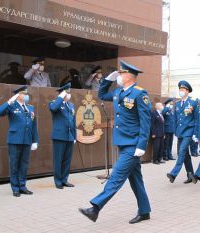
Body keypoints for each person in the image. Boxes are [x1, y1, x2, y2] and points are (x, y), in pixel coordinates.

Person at [79, 60, 152, 224]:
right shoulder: (119, 92)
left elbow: (146, 123)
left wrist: (141, 145)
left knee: (116, 177)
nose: (119, 76)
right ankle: (145, 211)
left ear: (128, 76)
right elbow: (101, 95)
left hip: (133, 145)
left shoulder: (139, 94)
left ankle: (95, 208)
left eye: (120, 73)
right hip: (123, 142)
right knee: (136, 180)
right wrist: (108, 80)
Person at [0, 86, 38, 197]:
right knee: (14, 165)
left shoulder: (30, 108)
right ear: (17, 95)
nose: (26, 95)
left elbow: (34, 126)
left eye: (26, 93)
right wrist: (9, 101)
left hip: (26, 140)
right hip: (15, 140)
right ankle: (15, 188)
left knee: (24, 165)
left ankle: (22, 186)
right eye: (24, 93)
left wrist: (35, 141)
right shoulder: (11, 106)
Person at [166, 80, 196, 184]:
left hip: (188, 131)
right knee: (184, 154)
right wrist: (175, 131)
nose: (181, 91)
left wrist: (195, 133)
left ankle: (173, 174)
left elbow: (196, 118)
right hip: (180, 133)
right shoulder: (177, 104)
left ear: (187, 91)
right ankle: (190, 174)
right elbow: (175, 119)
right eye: (180, 89)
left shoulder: (192, 103)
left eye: (183, 89)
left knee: (182, 151)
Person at [49, 83, 76, 189]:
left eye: (69, 92)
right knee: (58, 159)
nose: (69, 95)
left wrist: (74, 136)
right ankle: (58, 181)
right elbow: (54, 108)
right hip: (59, 136)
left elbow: (73, 121)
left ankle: (64, 180)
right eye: (67, 92)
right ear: (62, 93)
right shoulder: (55, 103)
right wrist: (60, 97)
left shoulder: (71, 105)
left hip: (69, 136)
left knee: (67, 160)